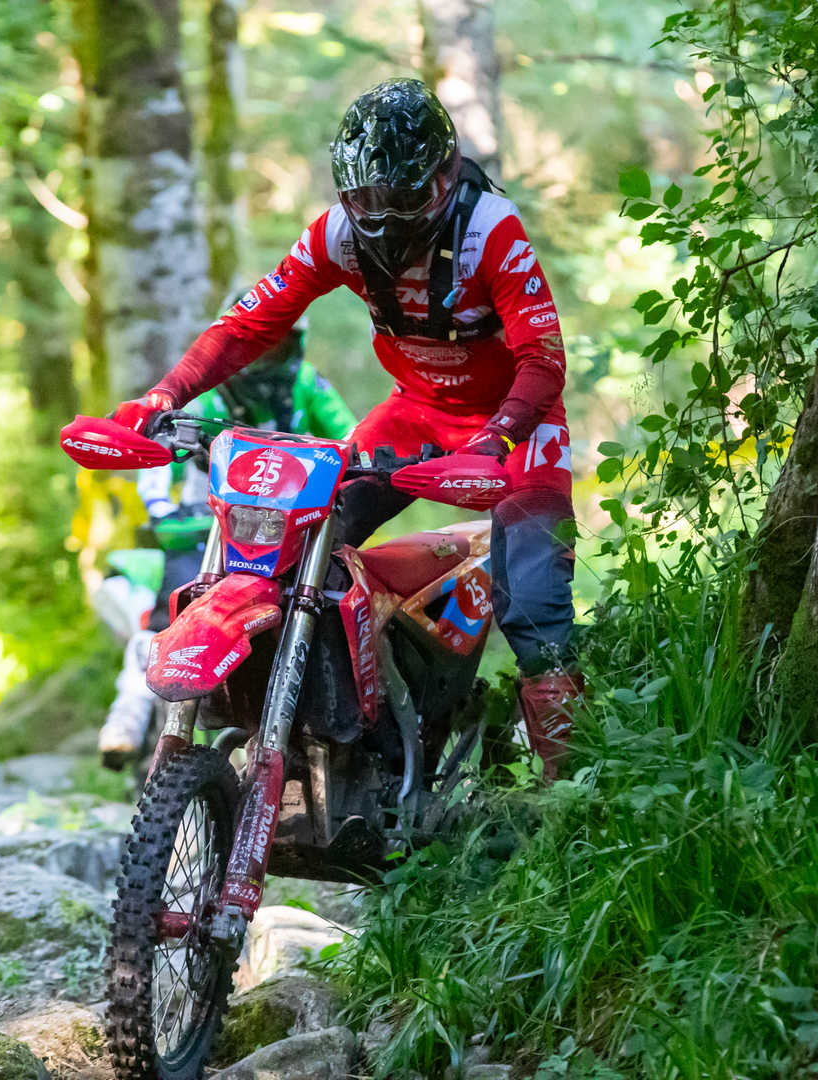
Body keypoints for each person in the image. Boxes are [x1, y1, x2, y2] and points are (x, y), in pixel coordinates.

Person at [110, 79, 582, 779]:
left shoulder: (491, 231)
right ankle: (334, 739)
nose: (385, 217)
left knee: (536, 609)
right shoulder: (334, 234)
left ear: (445, 176)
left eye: (404, 197)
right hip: (415, 413)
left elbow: (543, 360)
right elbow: (247, 326)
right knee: (292, 544)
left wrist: (499, 439)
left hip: (516, 428)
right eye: (367, 199)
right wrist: (163, 395)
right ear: (344, 192)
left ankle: (572, 794)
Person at [98, 300, 357, 769]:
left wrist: (368, 463)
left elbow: (353, 438)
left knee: (334, 602)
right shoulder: (206, 399)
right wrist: (170, 510)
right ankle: (128, 717)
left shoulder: (307, 384)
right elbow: (160, 465)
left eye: (276, 344)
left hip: (292, 535)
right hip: (209, 533)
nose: (265, 354)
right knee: (172, 613)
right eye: (255, 345)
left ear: (295, 345)